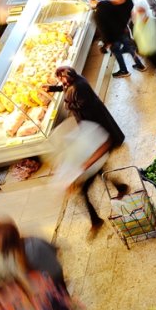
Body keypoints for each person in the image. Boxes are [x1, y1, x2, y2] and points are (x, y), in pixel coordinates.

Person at [45, 66, 126, 227]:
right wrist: (52, 89)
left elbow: (82, 103)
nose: (61, 81)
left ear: (67, 76)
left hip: (92, 116)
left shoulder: (80, 85)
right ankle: (120, 187)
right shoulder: (72, 83)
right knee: (101, 171)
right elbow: (65, 89)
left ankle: (96, 219)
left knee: (85, 190)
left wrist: (69, 106)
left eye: (61, 78)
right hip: (88, 142)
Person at [89, 0, 145, 77]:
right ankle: (138, 62)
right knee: (127, 43)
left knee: (118, 48)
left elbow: (121, 0)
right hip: (118, 24)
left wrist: (106, 42)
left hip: (123, 9)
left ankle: (125, 68)